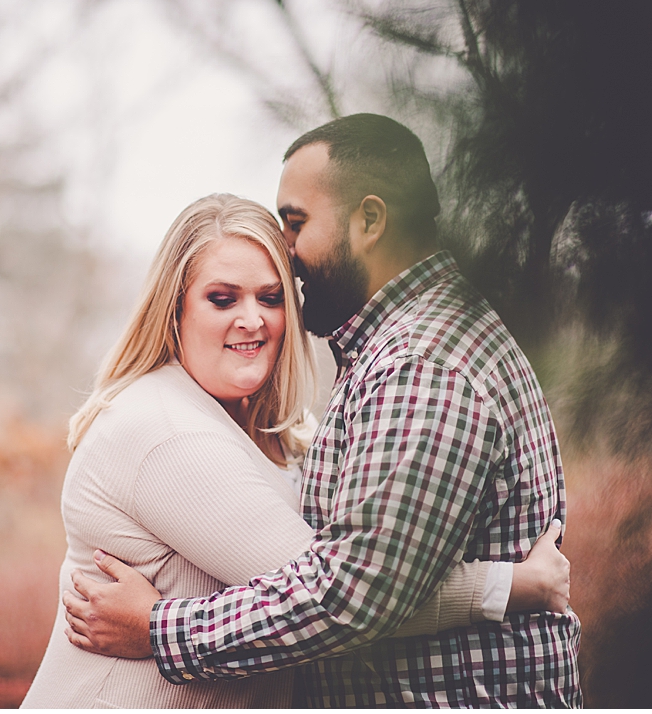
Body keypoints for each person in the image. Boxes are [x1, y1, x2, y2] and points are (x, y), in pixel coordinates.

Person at [63, 116, 582, 707]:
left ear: (368, 221)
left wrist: (161, 629)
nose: (285, 251)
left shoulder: (418, 365)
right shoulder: (168, 428)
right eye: (222, 298)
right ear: (172, 308)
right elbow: (354, 584)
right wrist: (510, 585)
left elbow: (355, 590)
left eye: (296, 223)